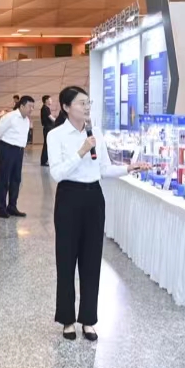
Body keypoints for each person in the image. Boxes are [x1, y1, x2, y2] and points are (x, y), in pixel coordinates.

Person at [48, 85, 146, 342]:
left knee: (91, 261)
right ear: (66, 107)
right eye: (81, 103)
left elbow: (102, 168)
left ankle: (88, 320)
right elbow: (57, 173)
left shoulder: (96, 133)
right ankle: (67, 319)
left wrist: (128, 168)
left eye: (88, 103)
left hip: (94, 198)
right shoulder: (56, 135)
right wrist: (81, 151)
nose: (87, 107)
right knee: (66, 259)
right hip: (68, 197)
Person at [0, 96, 34, 218]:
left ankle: (12, 206)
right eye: (30, 106)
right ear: (22, 106)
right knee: (4, 179)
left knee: (16, 179)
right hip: (6, 149)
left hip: (18, 151)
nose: (32, 109)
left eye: (33, 107)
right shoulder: (10, 117)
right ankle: (1, 209)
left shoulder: (26, 120)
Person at [39, 95, 55, 167]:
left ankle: (45, 160)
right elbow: (51, 118)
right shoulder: (45, 108)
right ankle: (44, 161)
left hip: (48, 128)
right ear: (46, 101)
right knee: (47, 145)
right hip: (48, 128)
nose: (51, 100)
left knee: (47, 144)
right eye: (50, 99)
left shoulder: (46, 108)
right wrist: (59, 122)